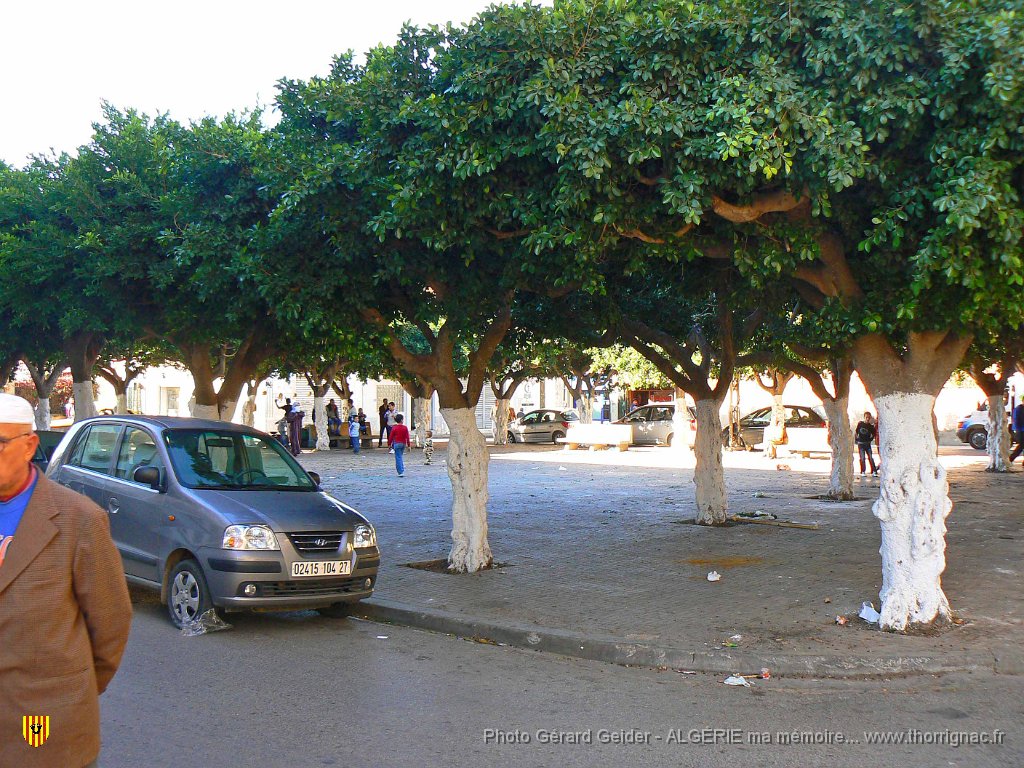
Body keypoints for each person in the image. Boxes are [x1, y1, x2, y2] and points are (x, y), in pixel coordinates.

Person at [0, 393, 132, 768]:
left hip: (42, 719)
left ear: (29, 446)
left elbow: (110, 624)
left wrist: (70, 688)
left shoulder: (78, 519)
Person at [855, 411, 878, 476]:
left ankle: (874, 471)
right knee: (862, 458)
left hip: (867, 444)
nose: (867, 419)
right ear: (864, 417)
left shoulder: (871, 427)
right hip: (861, 444)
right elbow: (856, 432)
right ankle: (863, 471)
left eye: (869, 418)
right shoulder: (860, 424)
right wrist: (856, 439)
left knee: (870, 457)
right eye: (866, 417)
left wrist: (870, 439)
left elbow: (873, 435)